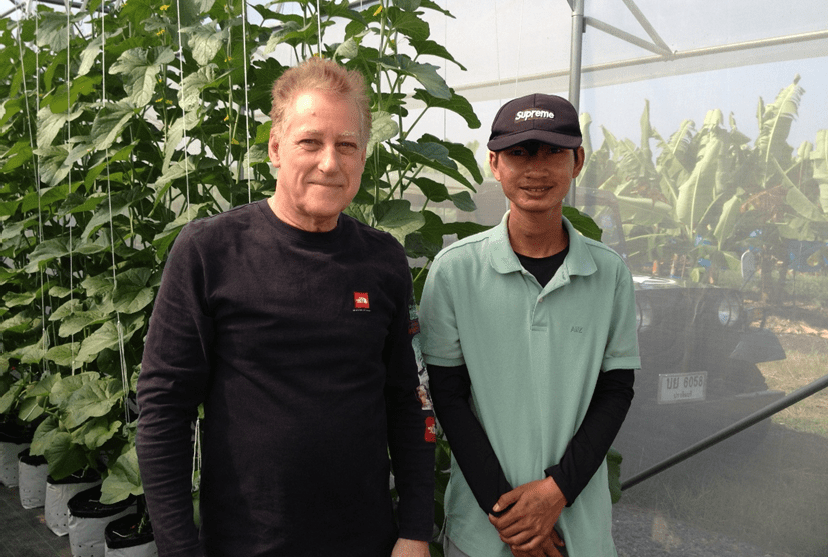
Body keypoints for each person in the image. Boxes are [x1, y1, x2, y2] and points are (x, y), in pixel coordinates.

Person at [136, 57, 435, 557]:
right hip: (245, 542)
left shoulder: (383, 259)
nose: (329, 163)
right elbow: (164, 408)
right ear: (275, 148)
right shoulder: (211, 251)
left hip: (367, 540)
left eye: (346, 145)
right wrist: (179, 549)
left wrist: (416, 529)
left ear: (363, 157)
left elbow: (410, 399)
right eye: (310, 142)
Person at [418, 93, 640, 557]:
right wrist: (512, 519)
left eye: (553, 151)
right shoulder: (455, 271)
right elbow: (448, 397)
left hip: (579, 530)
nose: (536, 169)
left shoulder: (608, 273)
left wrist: (556, 492)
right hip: (483, 532)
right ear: (494, 163)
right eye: (519, 152)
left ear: (577, 161)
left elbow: (616, 390)